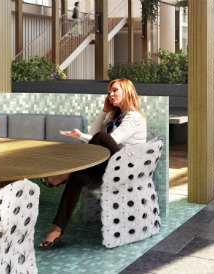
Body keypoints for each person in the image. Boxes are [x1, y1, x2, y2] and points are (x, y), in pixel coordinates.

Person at [38, 78, 147, 249]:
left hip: (125, 168)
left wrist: (83, 137)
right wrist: (103, 112)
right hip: (110, 166)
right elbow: (94, 133)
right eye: (109, 92)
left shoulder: (133, 117)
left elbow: (109, 139)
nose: (111, 95)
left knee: (103, 138)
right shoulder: (115, 116)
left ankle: (64, 174)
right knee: (78, 177)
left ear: (127, 91)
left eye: (115, 90)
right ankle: (56, 230)